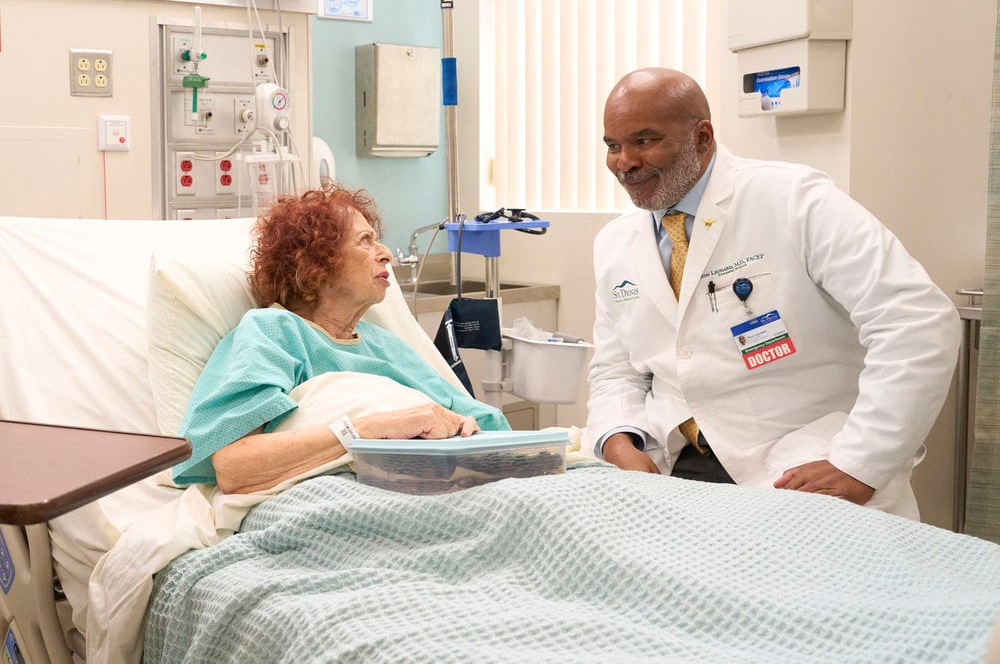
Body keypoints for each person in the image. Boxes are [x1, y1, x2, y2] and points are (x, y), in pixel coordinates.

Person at [587, 67, 961, 519]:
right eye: (613, 145)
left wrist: (861, 463)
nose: (624, 161)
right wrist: (615, 440)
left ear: (702, 137)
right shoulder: (614, 243)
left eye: (644, 141)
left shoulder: (793, 200)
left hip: (797, 466)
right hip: (673, 472)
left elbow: (916, 320)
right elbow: (616, 372)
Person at [171, 183, 511, 494]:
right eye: (365, 240)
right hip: (338, 497)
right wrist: (370, 428)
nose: (386, 254)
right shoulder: (273, 332)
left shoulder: (387, 346)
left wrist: (466, 431)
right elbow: (235, 468)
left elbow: (491, 428)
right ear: (313, 263)